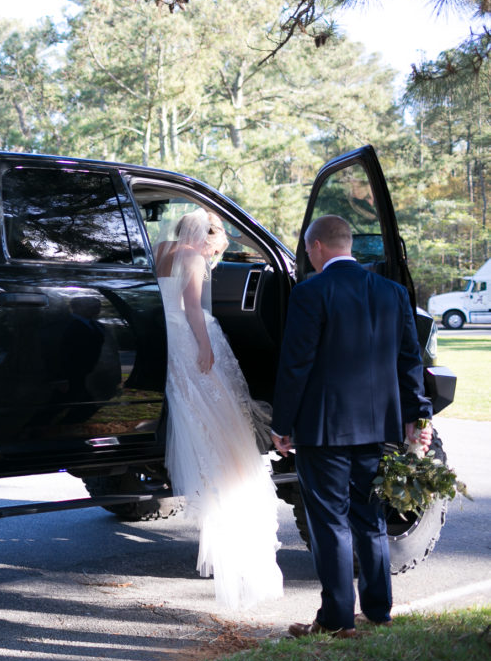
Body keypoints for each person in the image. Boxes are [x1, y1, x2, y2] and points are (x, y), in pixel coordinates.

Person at [271, 214, 433, 638]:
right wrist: (420, 417)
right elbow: (409, 362)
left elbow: (296, 365)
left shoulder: (310, 293)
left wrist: (281, 424)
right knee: (370, 518)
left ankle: (336, 618)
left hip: (323, 429)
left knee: (330, 522)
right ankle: (379, 610)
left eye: (308, 249)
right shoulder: (393, 293)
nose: (308, 255)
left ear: (318, 246)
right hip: (378, 427)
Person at [156, 208, 284, 610]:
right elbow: (192, 307)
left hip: (164, 338)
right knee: (223, 426)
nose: (212, 258)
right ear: (203, 238)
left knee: (195, 410)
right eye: (214, 249)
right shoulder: (191, 257)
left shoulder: (160, 247)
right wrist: (206, 346)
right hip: (189, 336)